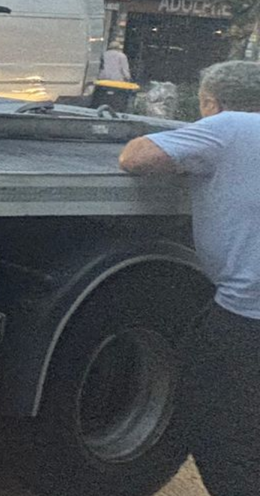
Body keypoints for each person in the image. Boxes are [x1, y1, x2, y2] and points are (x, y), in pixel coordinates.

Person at [119, 60, 260, 495]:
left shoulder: (229, 126)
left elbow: (136, 158)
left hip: (248, 315)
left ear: (210, 103)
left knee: (222, 431)